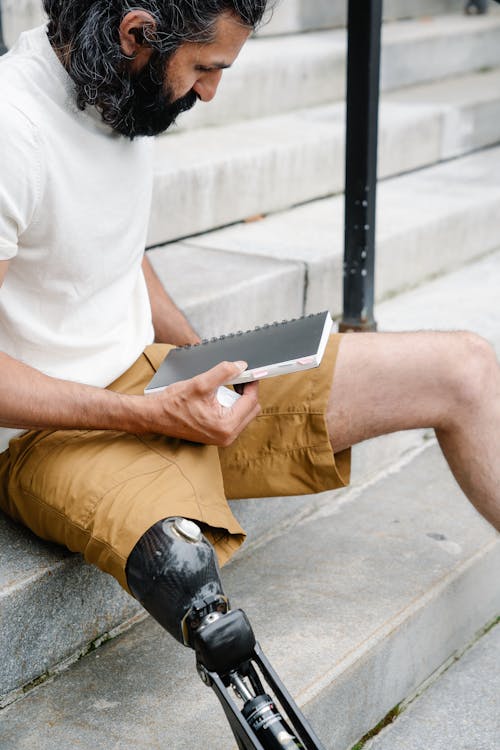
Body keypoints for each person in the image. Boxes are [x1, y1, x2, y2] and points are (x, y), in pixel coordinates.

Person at [0, 0, 498, 622]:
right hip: (47, 433)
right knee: (186, 578)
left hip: (154, 380)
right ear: (136, 33)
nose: (209, 92)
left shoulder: (117, 91)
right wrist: (143, 411)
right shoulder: (12, 130)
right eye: (206, 67)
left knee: (465, 368)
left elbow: (113, 253)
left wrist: (212, 363)